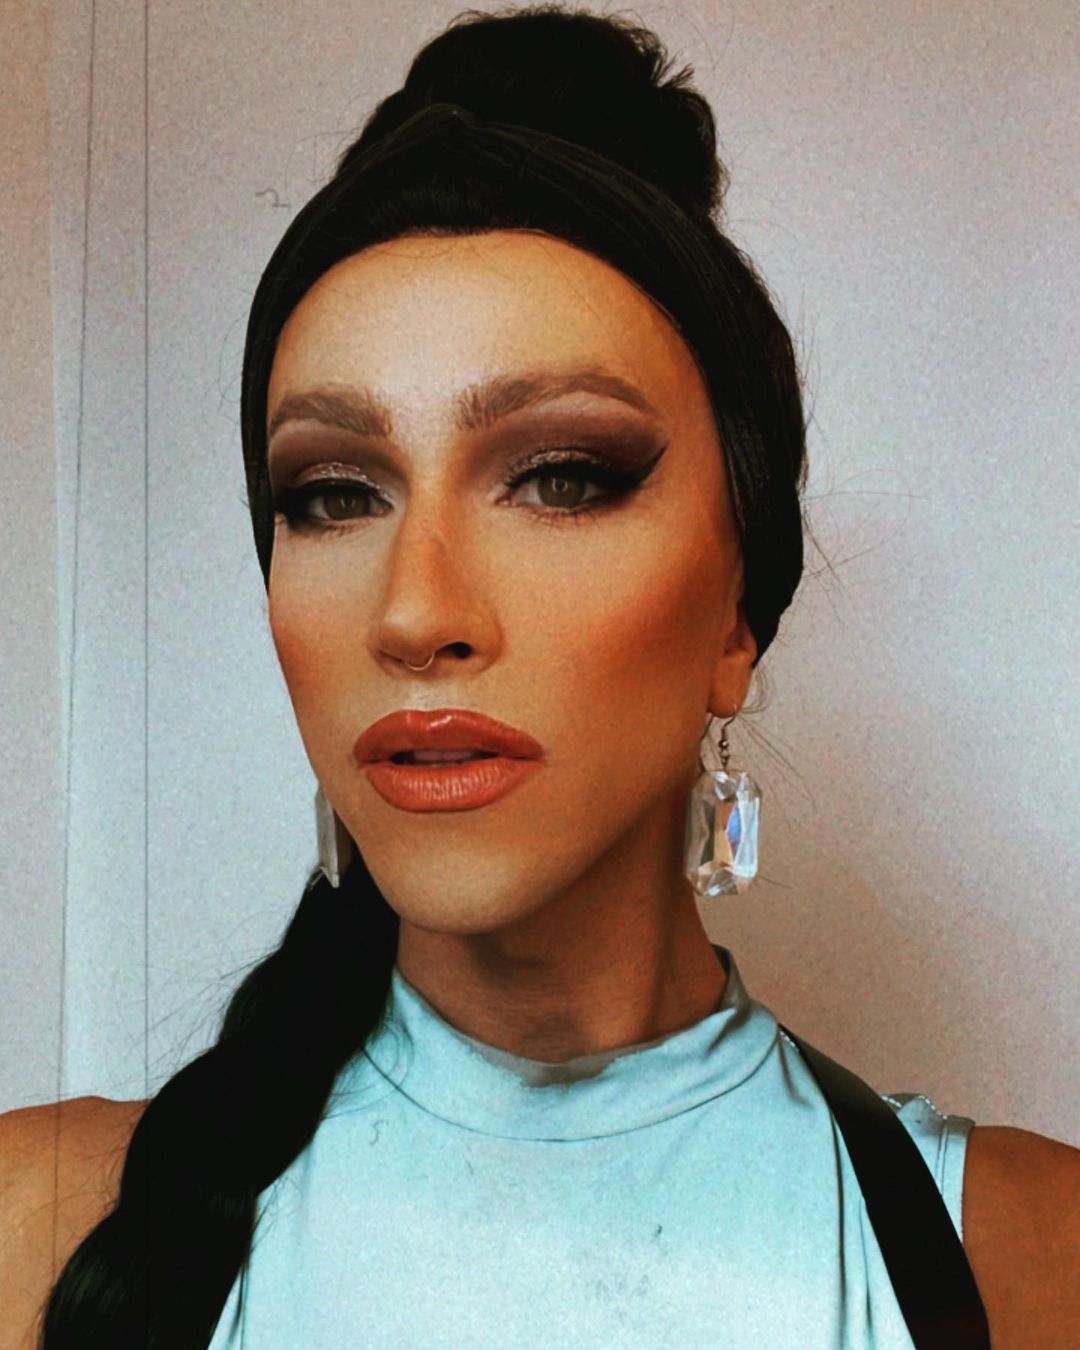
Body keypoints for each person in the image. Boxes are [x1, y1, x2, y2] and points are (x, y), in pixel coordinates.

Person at [3, 5, 1077, 1347]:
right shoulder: (37, 1227)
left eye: (562, 476)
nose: (414, 610)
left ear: (736, 617)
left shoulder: (1031, 1261)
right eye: (333, 492)